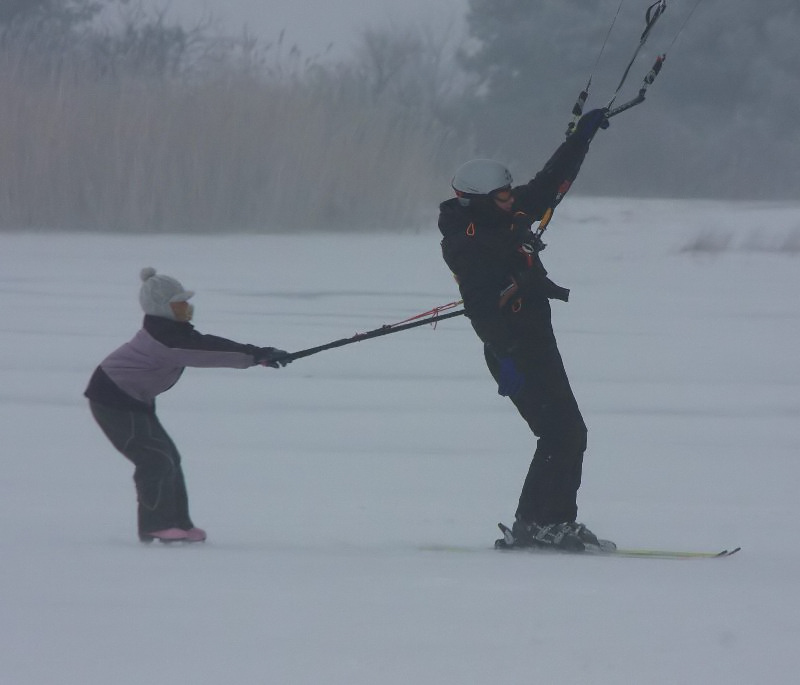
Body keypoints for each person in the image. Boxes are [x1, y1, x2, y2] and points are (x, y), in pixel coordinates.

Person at [438, 109, 610, 552]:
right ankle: (548, 524)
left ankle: (536, 523)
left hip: (535, 342)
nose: (512, 201)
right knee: (564, 433)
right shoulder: (467, 244)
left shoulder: (506, 215)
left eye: (510, 194)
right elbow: (480, 309)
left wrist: (580, 139)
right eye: (502, 197)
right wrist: (507, 355)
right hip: (513, 350)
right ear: (476, 200)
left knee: (564, 433)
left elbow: (549, 183)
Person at [85, 267, 292, 544]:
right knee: (154, 458)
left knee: (169, 457)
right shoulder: (164, 340)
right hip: (112, 399)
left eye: (185, 303)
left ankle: (178, 523)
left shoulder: (171, 333)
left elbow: (205, 344)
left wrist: (258, 354)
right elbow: (206, 352)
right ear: (162, 308)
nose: (186, 308)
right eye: (179, 303)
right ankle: (155, 525)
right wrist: (256, 355)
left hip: (134, 399)